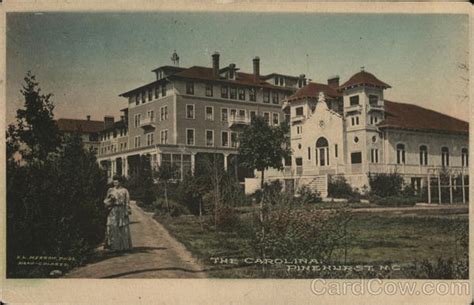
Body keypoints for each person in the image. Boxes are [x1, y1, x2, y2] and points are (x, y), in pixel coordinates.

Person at [103, 175, 132, 252]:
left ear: (120, 182)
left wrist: (127, 210)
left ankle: (124, 247)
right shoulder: (110, 190)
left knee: (123, 227)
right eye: (114, 181)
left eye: (117, 181)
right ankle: (113, 246)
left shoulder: (125, 191)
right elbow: (105, 201)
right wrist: (110, 200)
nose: (115, 182)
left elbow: (127, 201)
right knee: (112, 226)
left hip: (121, 210)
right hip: (113, 210)